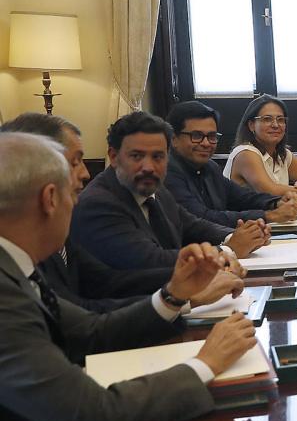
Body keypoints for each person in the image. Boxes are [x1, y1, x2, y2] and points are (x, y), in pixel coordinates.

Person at [0, 131, 258, 421]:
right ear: (50, 199)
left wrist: (173, 296)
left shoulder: (14, 265)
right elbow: (92, 414)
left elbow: (91, 330)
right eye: (71, 185)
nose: (82, 184)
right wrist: (204, 364)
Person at [1, 113, 241, 313]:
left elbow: (108, 281)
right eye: (75, 162)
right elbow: (82, 318)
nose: (85, 173)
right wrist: (182, 296)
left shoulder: (157, 190)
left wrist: (190, 281)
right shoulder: (95, 204)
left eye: (158, 156)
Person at [72, 112, 270, 270]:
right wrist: (228, 250)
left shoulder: (155, 189)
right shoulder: (99, 203)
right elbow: (150, 261)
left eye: (158, 157)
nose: (148, 167)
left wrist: (242, 236)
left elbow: (192, 225)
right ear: (114, 157)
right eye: (137, 156)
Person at [165, 101, 297, 227]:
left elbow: (243, 197)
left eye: (211, 136)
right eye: (196, 136)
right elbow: (202, 218)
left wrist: (277, 202)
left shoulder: (210, 167)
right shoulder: (166, 173)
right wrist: (269, 216)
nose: (206, 143)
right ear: (173, 138)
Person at [224, 95, 297, 197]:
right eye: (267, 119)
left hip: (275, 210)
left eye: (280, 119)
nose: (275, 125)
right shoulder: (245, 153)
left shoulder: (282, 154)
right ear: (251, 125)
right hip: (245, 211)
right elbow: (270, 191)